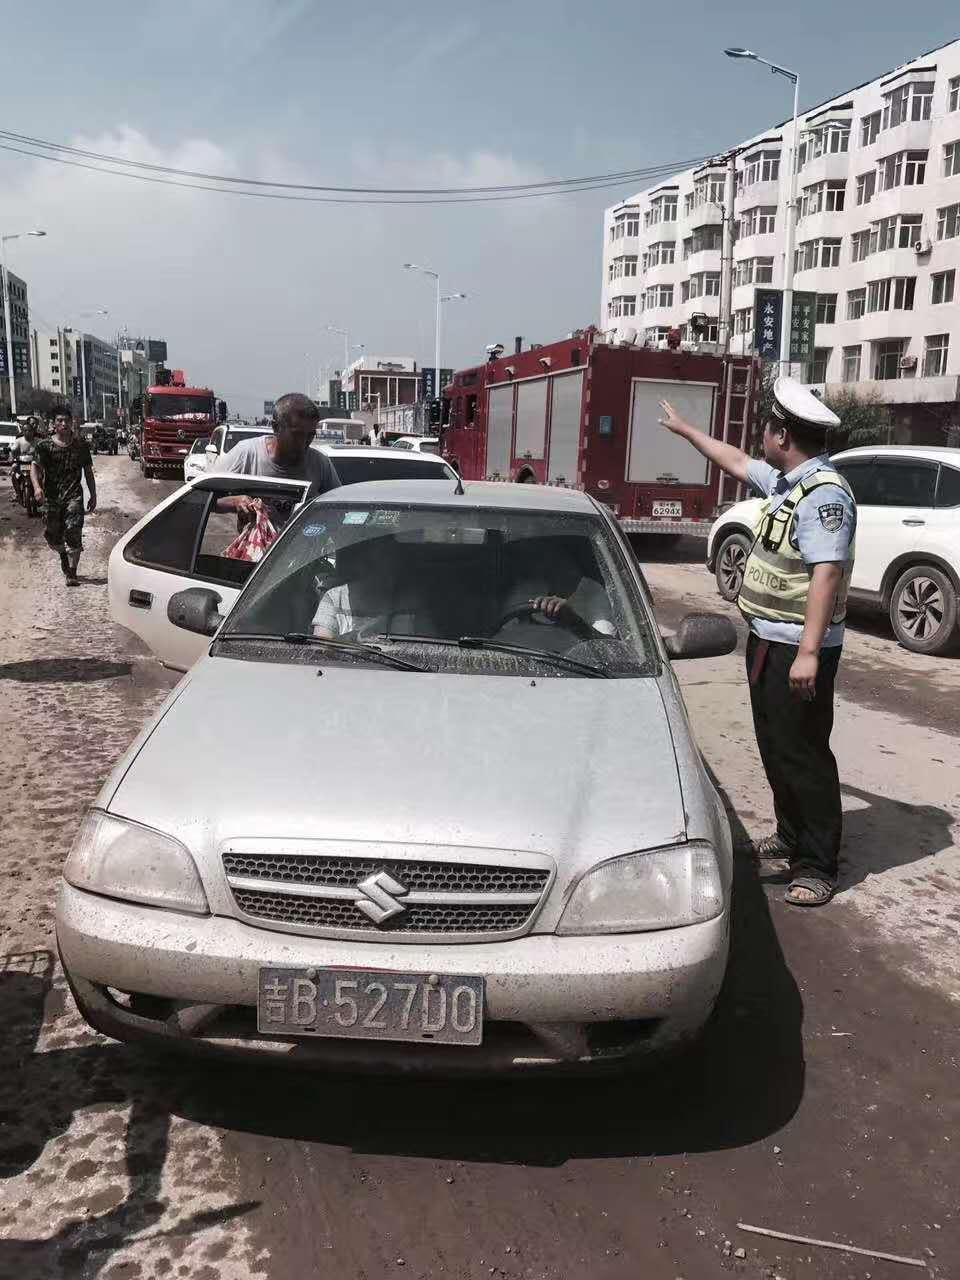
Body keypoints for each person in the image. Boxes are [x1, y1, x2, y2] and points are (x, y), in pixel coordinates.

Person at [659, 377, 856, 908]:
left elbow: (827, 574)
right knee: (775, 745)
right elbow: (735, 462)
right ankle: (790, 836)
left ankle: (816, 863)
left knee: (804, 753)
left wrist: (810, 653)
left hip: (798, 647)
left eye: (767, 429)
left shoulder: (825, 496)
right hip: (768, 639)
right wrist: (686, 431)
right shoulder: (791, 483)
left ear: (783, 435)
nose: (761, 439)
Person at [215, 392, 340, 531]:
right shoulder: (246, 454)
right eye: (297, 435)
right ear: (276, 427)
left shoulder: (320, 464)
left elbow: (340, 508)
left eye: (310, 435)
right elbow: (201, 498)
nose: (304, 443)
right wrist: (234, 502)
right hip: (258, 552)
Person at [30, 407, 97, 586]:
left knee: (73, 530)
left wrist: (93, 494)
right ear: (54, 423)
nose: (64, 423)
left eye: (66, 420)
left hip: (74, 496)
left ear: (72, 422)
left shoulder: (81, 446)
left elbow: (88, 472)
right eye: (59, 420)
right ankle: (63, 557)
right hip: (52, 498)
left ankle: (72, 572)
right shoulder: (44, 446)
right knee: (53, 533)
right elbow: (34, 467)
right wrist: (37, 488)